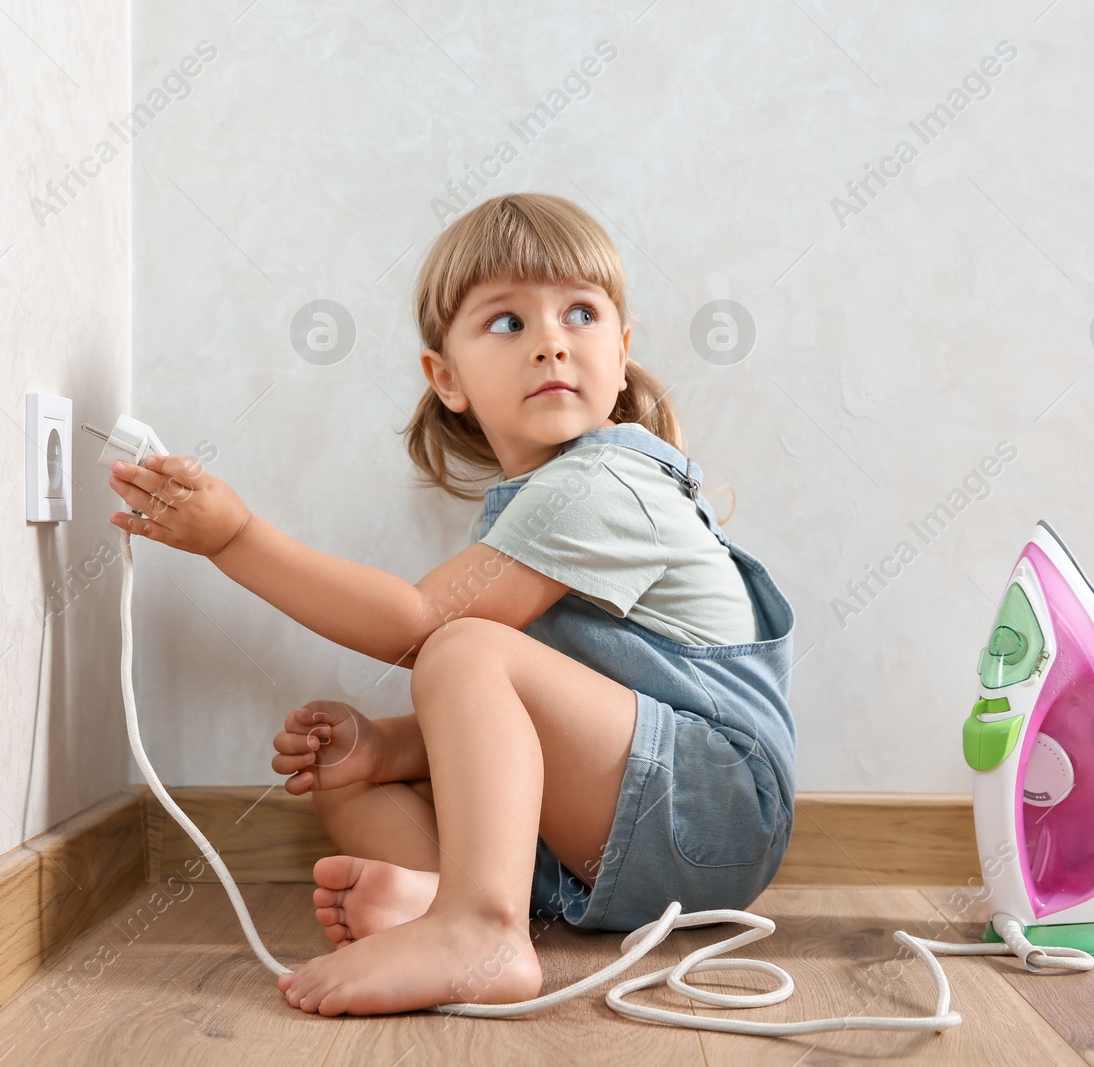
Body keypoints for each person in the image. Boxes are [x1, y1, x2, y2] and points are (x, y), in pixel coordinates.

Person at [106, 192, 797, 1018]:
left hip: (713, 808)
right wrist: (385, 748)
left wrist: (235, 538)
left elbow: (418, 628)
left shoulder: (606, 482)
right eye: (508, 323)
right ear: (447, 377)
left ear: (621, 349)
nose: (551, 342)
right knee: (345, 780)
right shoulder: (539, 501)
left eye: (580, 312)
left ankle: (480, 928)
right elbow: (539, 722)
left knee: (462, 646)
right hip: (633, 832)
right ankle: (449, 901)